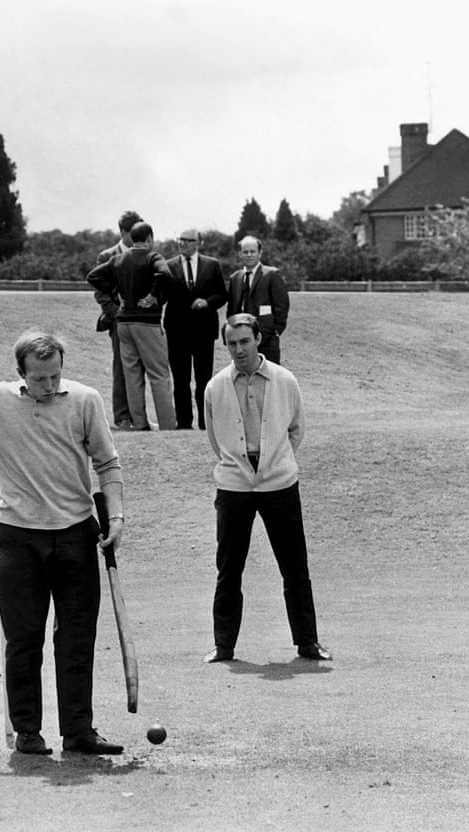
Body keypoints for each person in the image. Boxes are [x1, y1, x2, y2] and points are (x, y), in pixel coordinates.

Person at [0, 331, 126, 755]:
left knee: (76, 638)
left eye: (56, 376)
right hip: (20, 537)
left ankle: (78, 731)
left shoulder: (85, 399)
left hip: (76, 532)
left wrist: (115, 515)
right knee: (23, 639)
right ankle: (27, 732)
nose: (49, 386)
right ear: (20, 373)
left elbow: (107, 463)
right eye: (40, 379)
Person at [201, 314, 329, 664]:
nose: (239, 349)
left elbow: (296, 428)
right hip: (234, 486)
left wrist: (274, 462)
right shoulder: (215, 387)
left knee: (294, 567)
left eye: (245, 341)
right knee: (229, 568)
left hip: (279, 484)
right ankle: (224, 645)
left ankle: (307, 641)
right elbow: (216, 438)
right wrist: (241, 465)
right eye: (231, 343)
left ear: (258, 339)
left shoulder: (285, 380)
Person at [87, 222, 178, 430]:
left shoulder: (118, 259)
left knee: (132, 375)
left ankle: (139, 423)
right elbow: (165, 274)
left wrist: (116, 292)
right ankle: (167, 425)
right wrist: (153, 295)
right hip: (147, 323)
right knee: (159, 374)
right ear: (149, 239)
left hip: (124, 322)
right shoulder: (153, 257)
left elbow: (92, 276)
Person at [165, 229, 228, 430]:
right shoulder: (169, 266)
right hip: (177, 332)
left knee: (203, 379)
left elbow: (222, 295)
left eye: (187, 240)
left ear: (198, 243)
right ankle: (184, 422)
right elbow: (162, 295)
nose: (182, 244)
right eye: (180, 240)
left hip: (203, 332)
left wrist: (207, 303)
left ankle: (205, 422)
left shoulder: (212, 265)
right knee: (181, 380)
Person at [94, 210, 143, 430]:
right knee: (122, 367)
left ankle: (138, 416)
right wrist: (115, 313)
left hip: (143, 320)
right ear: (122, 232)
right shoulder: (107, 257)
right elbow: (100, 292)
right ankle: (123, 416)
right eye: (133, 233)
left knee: (139, 367)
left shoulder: (145, 253)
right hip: (119, 321)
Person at [226, 236, 289, 364]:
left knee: (268, 376)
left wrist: (276, 330)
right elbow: (232, 309)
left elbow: (282, 305)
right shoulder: (235, 278)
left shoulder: (271, 275)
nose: (249, 255)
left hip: (267, 339)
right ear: (240, 254)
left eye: (252, 251)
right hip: (241, 340)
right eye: (245, 252)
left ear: (260, 253)